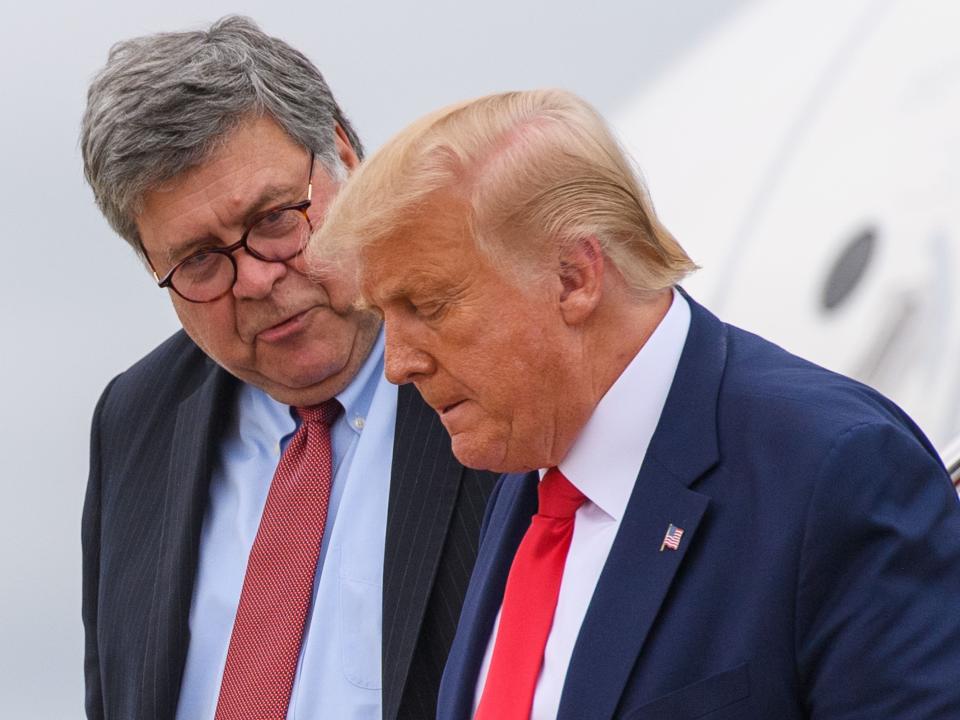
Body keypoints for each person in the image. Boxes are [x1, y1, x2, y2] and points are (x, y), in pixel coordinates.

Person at [308, 89, 960, 719]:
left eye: (428, 306)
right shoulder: (527, 474)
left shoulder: (835, 471)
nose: (398, 365)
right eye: (384, 316)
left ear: (575, 276)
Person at [80, 16, 495, 720]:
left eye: (275, 219)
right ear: (154, 266)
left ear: (344, 157)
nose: (255, 280)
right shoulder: (136, 419)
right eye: (201, 261)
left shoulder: (494, 364)